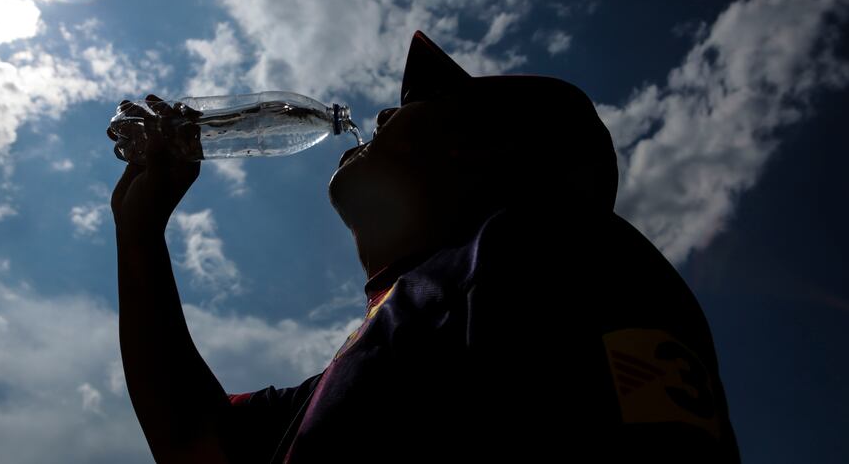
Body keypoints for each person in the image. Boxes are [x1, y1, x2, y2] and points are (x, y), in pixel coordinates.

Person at [110, 30, 742, 463]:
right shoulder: (350, 375)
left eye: (423, 103)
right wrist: (138, 231)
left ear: (490, 152)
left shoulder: (564, 250)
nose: (384, 114)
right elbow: (196, 439)